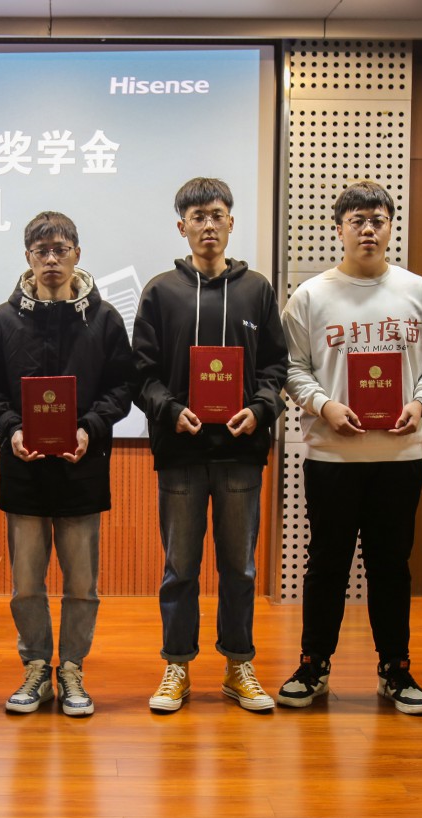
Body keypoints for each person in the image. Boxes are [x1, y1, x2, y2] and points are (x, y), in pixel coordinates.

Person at [276, 180, 422, 715]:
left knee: (391, 566)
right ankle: (313, 664)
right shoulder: (311, 296)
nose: (368, 230)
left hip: (400, 458)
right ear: (340, 229)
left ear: (390, 227)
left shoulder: (420, 293)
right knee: (325, 564)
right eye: (357, 221)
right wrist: (324, 405)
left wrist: (421, 402)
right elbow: (291, 368)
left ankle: (395, 668)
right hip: (331, 456)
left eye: (377, 219)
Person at [132, 177, 289, 714]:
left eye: (217, 215)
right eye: (197, 217)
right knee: (180, 568)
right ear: (182, 226)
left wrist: (260, 409)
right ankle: (176, 664)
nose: (208, 225)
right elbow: (142, 373)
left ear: (231, 222)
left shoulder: (257, 290)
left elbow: (276, 366)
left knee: (239, 568)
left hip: (240, 452)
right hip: (181, 453)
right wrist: (170, 410)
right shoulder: (160, 292)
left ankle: (238, 664)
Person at [0, 211, 133, 716]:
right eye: (41, 251)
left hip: (82, 467)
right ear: (28, 258)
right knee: (26, 584)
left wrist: (88, 428)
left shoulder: (105, 320)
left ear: (76, 255)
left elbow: (121, 388)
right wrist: (13, 429)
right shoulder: (2, 320)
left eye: (60, 250)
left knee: (82, 584)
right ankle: (37, 667)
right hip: (23, 469)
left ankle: (73, 669)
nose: (51, 260)